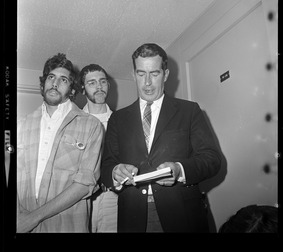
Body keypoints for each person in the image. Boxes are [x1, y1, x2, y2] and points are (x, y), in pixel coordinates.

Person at [101, 43, 222, 232]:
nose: (147, 82)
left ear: (165, 74)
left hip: (183, 215)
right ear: (134, 75)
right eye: (141, 74)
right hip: (132, 217)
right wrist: (116, 171)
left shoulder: (189, 111)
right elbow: (106, 166)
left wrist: (180, 170)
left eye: (154, 74)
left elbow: (212, 160)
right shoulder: (117, 118)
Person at [17, 53, 103, 233]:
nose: (55, 83)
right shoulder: (22, 125)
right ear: (43, 84)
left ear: (72, 90)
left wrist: (34, 217)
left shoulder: (91, 125)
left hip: (68, 226)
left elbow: (84, 184)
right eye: (51, 77)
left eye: (63, 80)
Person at [79, 64, 117, 233]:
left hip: (113, 198)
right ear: (82, 89)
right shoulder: (73, 122)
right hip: (81, 198)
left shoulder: (121, 121)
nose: (99, 86)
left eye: (102, 81)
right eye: (92, 83)